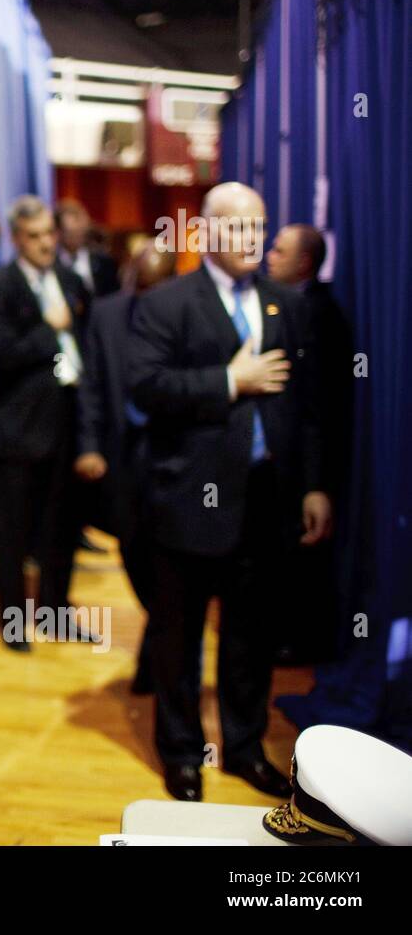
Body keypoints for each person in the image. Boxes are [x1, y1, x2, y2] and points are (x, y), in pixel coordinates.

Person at [129, 182, 332, 803]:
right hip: (190, 498)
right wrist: (228, 380)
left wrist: (314, 485)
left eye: (258, 227)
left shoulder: (285, 305)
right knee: (180, 639)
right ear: (206, 232)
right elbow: (145, 387)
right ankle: (182, 754)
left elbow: (308, 405)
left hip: (266, 499)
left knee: (251, 637)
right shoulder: (168, 303)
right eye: (237, 227)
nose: (250, 239)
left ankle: (245, 748)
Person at [0, 195, 93, 651]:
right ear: (16, 239)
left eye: (49, 233)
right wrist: (49, 330)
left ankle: (55, 612)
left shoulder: (70, 280)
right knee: (13, 535)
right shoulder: (1, 285)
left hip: (69, 419)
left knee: (62, 527)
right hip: (19, 428)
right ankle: (14, 623)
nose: (45, 243)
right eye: (34, 236)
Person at [75, 246, 177, 693]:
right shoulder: (106, 314)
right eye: (140, 285)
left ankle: (159, 656)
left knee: (171, 562)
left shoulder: (185, 316)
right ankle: (162, 640)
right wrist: (90, 446)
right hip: (122, 457)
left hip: (174, 461)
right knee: (132, 552)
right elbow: (92, 385)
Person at [266, 224, 353, 663]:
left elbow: (320, 403)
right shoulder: (287, 305)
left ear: (304, 262)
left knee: (302, 558)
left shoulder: (316, 312)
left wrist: (317, 482)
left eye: (279, 251)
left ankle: (299, 641)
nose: (269, 256)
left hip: (305, 464)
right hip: (289, 462)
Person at [55, 198, 119, 297]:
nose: (78, 236)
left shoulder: (104, 262)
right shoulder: (50, 265)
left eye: (81, 231)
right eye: (71, 233)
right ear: (58, 232)